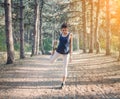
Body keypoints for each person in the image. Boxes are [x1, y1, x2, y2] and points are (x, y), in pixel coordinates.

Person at [50, 23, 73, 89]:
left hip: (66, 53)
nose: (64, 31)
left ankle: (63, 82)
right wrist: (53, 50)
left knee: (64, 68)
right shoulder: (60, 34)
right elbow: (57, 42)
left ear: (67, 29)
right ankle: (53, 56)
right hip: (58, 51)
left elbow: (71, 46)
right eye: (63, 30)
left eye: (65, 30)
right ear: (61, 30)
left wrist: (71, 56)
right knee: (51, 61)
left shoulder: (70, 35)